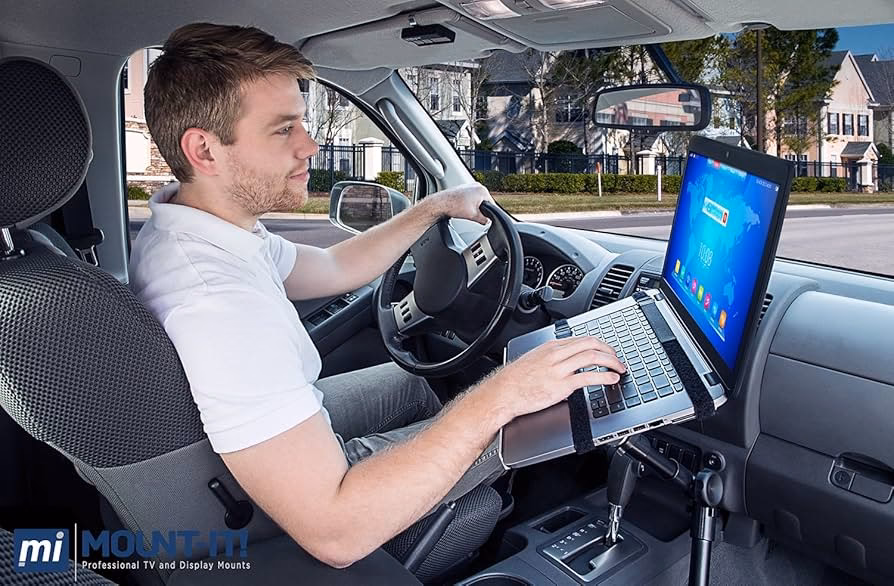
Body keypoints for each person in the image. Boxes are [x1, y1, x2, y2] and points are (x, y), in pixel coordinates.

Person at [129, 22, 625, 569]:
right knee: (506, 432)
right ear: (204, 149)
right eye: (282, 129)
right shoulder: (218, 303)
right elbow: (333, 531)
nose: (310, 146)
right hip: (277, 511)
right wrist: (506, 394)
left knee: (417, 378)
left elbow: (334, 266)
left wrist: (435, 207)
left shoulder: (196, 225)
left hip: (240, 457)